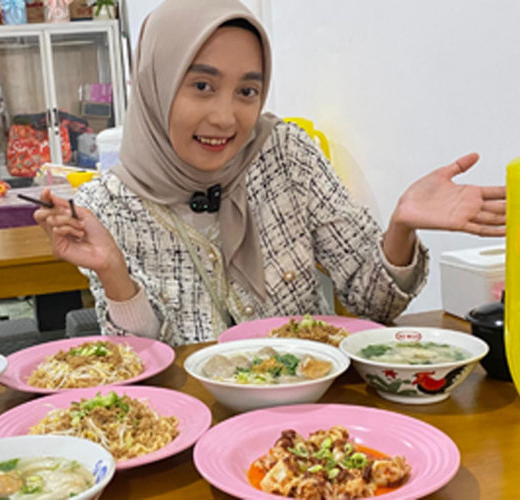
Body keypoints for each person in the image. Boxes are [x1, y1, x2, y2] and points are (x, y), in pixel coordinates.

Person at [34, 0, 506, 346]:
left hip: (310, 415)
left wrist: (401, 225)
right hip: (195, 431)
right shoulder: (107, 205)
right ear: (155, 82)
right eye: (202, 85)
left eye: (246, 91)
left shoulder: (285, 155)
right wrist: (114, 271)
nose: (225, 117)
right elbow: (139, 362)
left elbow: (375, 305)